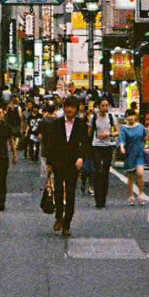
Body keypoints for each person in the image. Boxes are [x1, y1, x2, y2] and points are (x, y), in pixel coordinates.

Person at [46, 96, 90, 237]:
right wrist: (49, 163)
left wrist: (81, 158)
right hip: (58, 162)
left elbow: (86, 144)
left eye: (72, 107)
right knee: (58, 191)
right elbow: (50, 143)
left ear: (77, 109)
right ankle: (59, 217)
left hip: (73, 164)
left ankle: (67, 224)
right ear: (63, 108)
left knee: (70, 194)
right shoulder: (56, 123)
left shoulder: (81, 125)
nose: (69, 109)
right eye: (67, 106)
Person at [90, 98, 118, 209]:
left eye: (106, 105)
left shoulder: (111, 117)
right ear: (99, 106)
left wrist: (109, 134)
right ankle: (97, 199)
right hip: (96, 145)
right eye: (103, 105)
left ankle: (103, 200)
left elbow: (117, 132)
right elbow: (89, 132)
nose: (105, 108)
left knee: (105, 173)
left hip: (107, 146)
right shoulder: (94, 117)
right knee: (98, 171)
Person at [119, 108, 148, 205]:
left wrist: (146, 146)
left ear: (135, 116)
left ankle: (140, 195)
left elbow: (145, 137)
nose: (131, 117)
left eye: (132, 115)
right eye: (129, 116)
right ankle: (131, 196)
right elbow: (122, 139)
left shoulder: (141, 127)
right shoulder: (124, 128)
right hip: (129, 154)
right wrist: (122, 147)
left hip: (139, 153)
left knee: (140, 173)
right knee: (131, 176)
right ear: (126, 117)